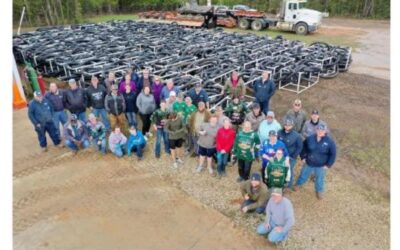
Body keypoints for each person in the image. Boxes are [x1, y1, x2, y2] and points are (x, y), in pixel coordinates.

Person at [294, 124, 337, 199]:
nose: (320, 131)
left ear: (325, 131)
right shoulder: (310, 138)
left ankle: (319, 191)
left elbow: (333, 154)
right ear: (316, 130)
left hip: (321, 165)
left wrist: (328, 165)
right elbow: (303, 147)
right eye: (319, 130)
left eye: (322, 130)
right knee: (303, 174)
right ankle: (298, 184)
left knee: (319, 178)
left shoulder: (330, 141)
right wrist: (303, 157)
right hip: (309, 162)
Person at [278, 119, 303, 189]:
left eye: (289, 125)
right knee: (281, 169)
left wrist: (294, 156)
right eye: (286, 125)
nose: (287, 127)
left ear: (292, 126)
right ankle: (281, 183)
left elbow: (300, 147)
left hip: (291, 157)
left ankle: (289, 185)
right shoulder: (279, 132)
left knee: (289, 170)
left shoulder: (296, 135)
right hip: (281, 156)